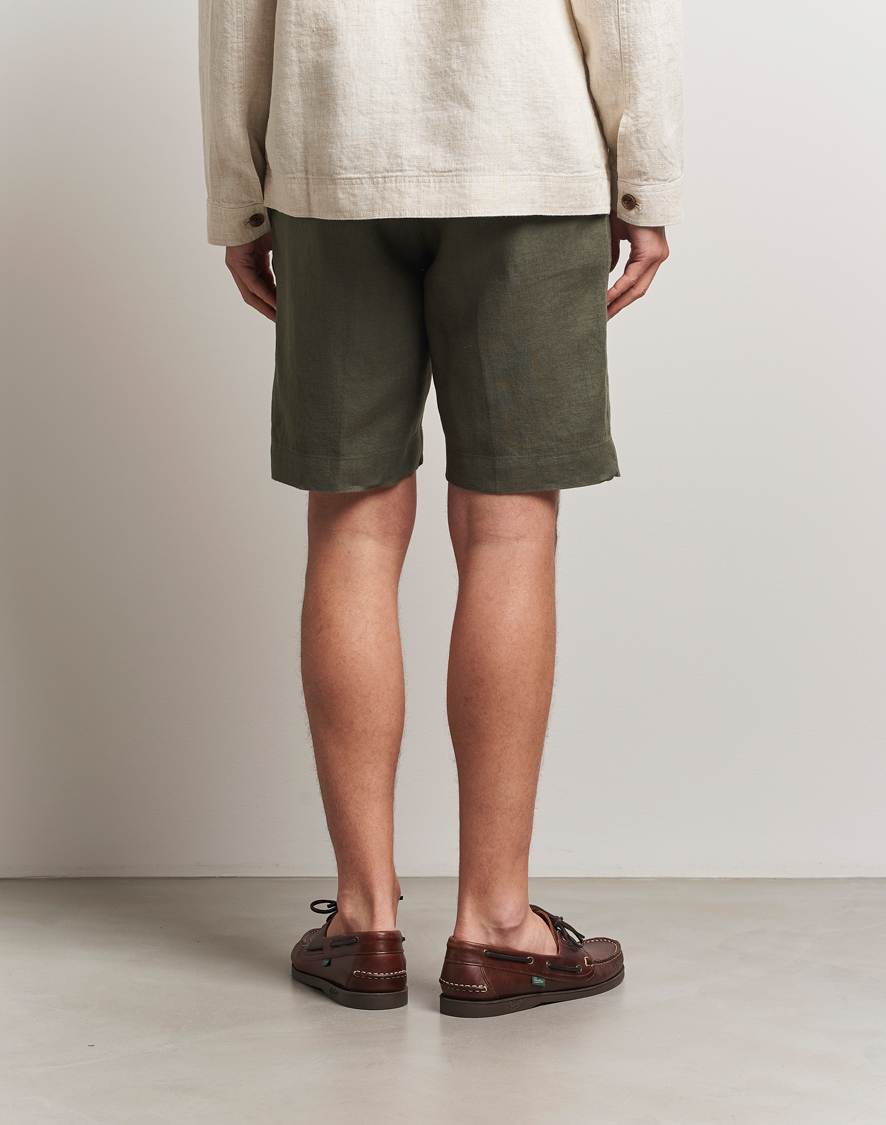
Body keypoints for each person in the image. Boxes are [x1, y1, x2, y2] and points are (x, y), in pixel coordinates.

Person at [198, 0, 683, 1018]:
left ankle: (364, 923)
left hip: (333, 153)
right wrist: (647, 178)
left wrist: (239, 195)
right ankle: (497, 925)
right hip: (527, 149)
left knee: (352, 525)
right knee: (511, 530)